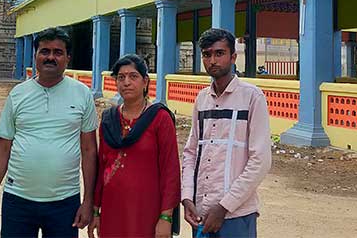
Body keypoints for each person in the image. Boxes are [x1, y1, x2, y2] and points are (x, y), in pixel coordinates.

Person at [0, 27, 98, 238]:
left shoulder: (82, 94)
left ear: (67, 58)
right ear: (35, 56)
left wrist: (88, 201)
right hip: (18, 200)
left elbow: (89, 150)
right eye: (44, 51)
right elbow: (3, 148)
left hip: (65, 201)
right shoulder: (18, 95)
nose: (50, 57)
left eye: (58, 52)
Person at [182, 28, 272, 237]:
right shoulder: (202, 99)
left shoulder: (252, 97)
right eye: (207, 54)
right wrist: (187, 198)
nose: (212, 60)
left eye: (219, 53)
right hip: (201, 213)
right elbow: (191, 152)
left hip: (237, 215)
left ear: (233, 57)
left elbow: (260, 160)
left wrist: (224, 206)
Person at [88, 54, 181, 238]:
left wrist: (166, 217)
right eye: (121, 77)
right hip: (113, 209)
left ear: (145, 81)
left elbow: (170, 169)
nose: (126, 82)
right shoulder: (109, 119)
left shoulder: (159, 118)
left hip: (147, 211)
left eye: (133, 76)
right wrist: (96, 211)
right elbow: (102, 167)